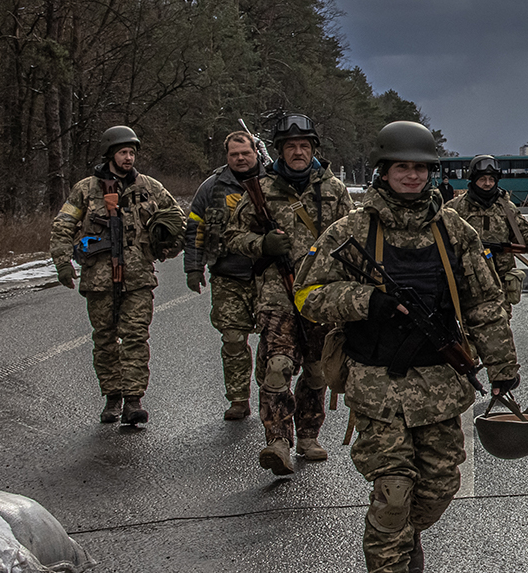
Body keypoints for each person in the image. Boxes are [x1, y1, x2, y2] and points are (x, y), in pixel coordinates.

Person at [295, 121, 520, 573]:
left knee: (438, 485)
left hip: (440, 385)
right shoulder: (351, 231)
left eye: (420, 167)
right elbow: (307, 297)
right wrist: (367, 301)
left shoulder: (455, 232)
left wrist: (503, 368)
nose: (412, 176)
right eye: (403, 167)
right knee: (394, 488)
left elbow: (486, 303)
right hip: (377, 383)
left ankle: (408, 535)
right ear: (385, 170)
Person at [224, 112, 353, 475]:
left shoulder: (333, 190)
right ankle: (277, 440)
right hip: (277, 295)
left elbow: (353, 238)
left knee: (316, 372)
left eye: (304, 145)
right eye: (291, 146)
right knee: (277, 368)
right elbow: (233, 237)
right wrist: (261, 244)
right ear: (280, 150)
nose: (298, 152)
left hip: (321, 297)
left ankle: (309, 435)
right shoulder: (260, 190)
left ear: (313, 148)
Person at [49, 125, 186, 425]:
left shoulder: (150, 187)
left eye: (132, 153)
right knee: (105, 339)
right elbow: (63, 226)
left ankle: (134, 400)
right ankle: (112, 398)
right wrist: (62, 262)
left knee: (136, 337)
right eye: (123, 152)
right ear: (111, 153)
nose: (128, 158)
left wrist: (166, 248)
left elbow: (178, 220)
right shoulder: (86, 189)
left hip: (138, 277)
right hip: (98, 279)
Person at [184, 131, 261, 420]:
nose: (240, 159)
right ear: (226, 156)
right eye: (233, 154)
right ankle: (239, 399)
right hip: (228, 276)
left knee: (274, 342)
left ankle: (272, 394)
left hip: (267, 276)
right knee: (232, 340)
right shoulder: (212, 188)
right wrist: (193, 267)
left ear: (255, 152)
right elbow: (195, 228)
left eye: (245, 153)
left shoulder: (274, 184)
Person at [446, 154, 528, 310]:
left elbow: (523, 229)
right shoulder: (455, 207)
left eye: (491, 180)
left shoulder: (506, 206)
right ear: (473, 180)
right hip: (468, 279)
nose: (487, 184)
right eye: (482, 179)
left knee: (501, 322)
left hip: (502, 278)